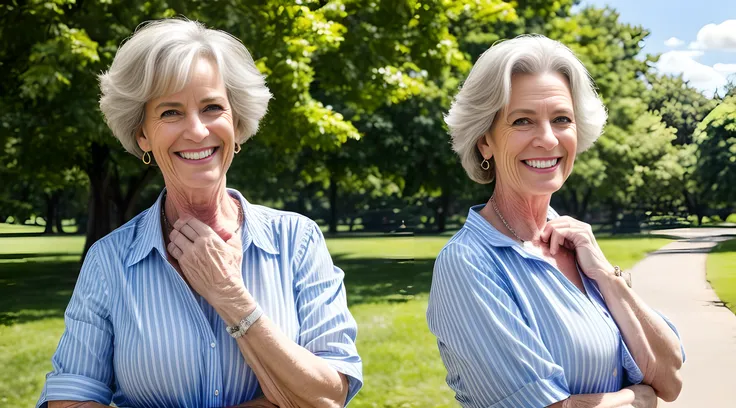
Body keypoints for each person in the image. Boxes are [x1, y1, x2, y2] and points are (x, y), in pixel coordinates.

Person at [37, 18, 362, 408]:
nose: (196, 131)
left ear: (237, 123)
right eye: (170, 112)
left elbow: (328, 395)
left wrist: (232, 298)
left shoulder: (297, 240)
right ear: (142, 134)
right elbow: (69, 400)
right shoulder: (109, 261)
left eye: (212, 107)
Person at [426, 35, 684, 408]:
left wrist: (608, 279)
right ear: (485, 142)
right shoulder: (467, 264)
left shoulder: (575, 245)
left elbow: (671, 380)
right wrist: (638, 399)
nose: (547, 139)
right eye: (522, 121)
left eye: (561, 119)